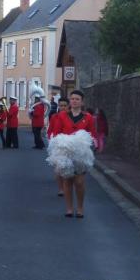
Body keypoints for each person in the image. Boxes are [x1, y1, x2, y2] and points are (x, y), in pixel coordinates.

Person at [50, 90, 95, 219]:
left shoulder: (88, 117)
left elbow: (91, 134)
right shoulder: (62, 116)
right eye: (72, 99)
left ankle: (80, 208)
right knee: (67, 180)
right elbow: (57, 133)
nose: (74, 101)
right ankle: (69, 208)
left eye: (77, 99)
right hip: (66, 152)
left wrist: (88, 147)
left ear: (82, 102)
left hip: (80, 155)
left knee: (79, 181)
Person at [47, 97, 69, 197]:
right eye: (61, 106)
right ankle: (61, 189)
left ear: (68, 106)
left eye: (65, 105)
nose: (63, 107)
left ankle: (66, 187)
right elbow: (50, 130)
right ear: (58, 106)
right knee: (58, 168)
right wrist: (51, 140)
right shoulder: (54, 117)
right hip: (57, 144)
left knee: (67, 168)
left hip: (68, 144)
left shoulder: (71, 116)